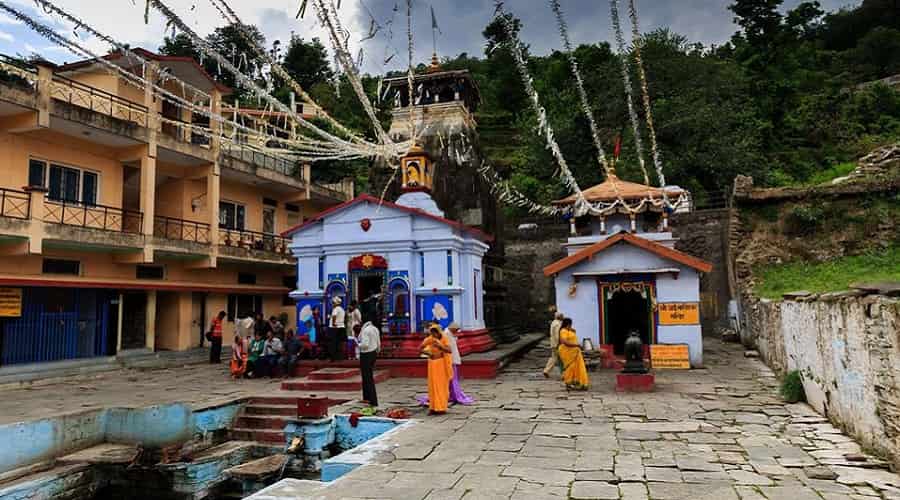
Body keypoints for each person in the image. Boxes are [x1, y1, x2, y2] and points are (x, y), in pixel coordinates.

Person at [420, 325, 453, 415]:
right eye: (432, 332)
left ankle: (441, 407)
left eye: (435, 332)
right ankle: (433, 407)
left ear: (439, 332)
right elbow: (420, 348)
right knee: (432, 386)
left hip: (442, 364)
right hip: (432, 364)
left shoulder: (444, 338)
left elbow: (449, 350)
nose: (434, 334)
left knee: (441, 386)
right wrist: (428, 353)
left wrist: (440, 346)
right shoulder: (430, 339)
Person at [558, 318, 589, 391]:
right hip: (567, 353)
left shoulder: (570, 331)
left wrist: (573, 331)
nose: (571, 325)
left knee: (579, 367)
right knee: (570, 367)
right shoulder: (563, 331)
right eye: (570, 324)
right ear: (567, 324)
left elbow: (572, 338)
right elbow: (565, 342)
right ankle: (569, 383)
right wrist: (576, 345)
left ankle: (580, 383)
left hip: (575, 352)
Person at [355, 321, 381, 406]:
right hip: (373, 353)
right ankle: (367, 398)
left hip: (366, 354)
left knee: (367, 378)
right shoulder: (375, 329)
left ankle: (372, 400)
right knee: (368, 377)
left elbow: (365, 344)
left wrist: (358, 344)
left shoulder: (365, 331)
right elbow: (378, 343)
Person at [543, 311, 565, 378]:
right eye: (562, 316)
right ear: (560, 317)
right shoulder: (558, 324)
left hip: (553, 343)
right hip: (557, 344)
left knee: (554, 358)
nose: (563, 317)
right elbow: (557, 335)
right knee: (562, 359)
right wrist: (560, 342)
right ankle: (563, 374)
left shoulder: (553, 322)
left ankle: (546, 370)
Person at [329, 297, 346, 361]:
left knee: (333, 343)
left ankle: (333, 357)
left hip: (334, 328)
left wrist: (333, 323)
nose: (332, 304)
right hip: (341, 327)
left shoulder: (335, 309)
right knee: (339, 343)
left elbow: (334, 316)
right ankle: (340, 357)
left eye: (333, 303)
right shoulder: (342, 309)